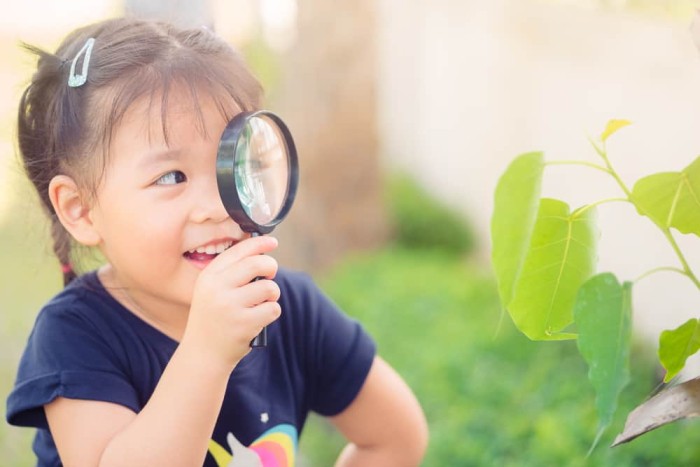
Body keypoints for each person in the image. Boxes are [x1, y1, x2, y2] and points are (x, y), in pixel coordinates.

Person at [5, 17, 428, 466]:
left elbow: (397, 437)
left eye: (237, 163)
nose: (220, 204)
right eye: (172, 176)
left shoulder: (290, 306)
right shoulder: (76, 335)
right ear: (81, 210)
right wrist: (206, 354)